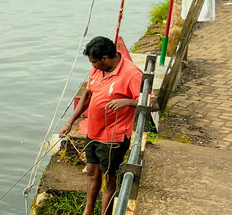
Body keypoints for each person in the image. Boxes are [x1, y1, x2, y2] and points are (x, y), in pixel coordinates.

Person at [59, 36, 158, 215]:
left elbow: (154, 104)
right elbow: (87, 96)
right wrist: (69, 122)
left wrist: (127, 101)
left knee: (109, 180)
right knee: (91, 173)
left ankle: (106, 213)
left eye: (95, 62)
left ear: (105, 58)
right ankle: (88, 210)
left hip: (114, 138)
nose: (93, 66)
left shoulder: (131, 73)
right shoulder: (97, 70)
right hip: (93, 133)